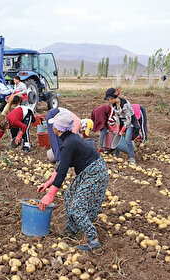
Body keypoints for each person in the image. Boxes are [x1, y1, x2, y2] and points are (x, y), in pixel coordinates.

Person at [37, 112, 109, 251]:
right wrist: (49, 183)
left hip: (95, 172)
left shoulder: (69, 143)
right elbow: (61, 167)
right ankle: (72, 229)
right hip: (87, 171)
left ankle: (93, 240)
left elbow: (63, 172)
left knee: (77, 207)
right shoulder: (69, 139)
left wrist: (50, 195)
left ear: (57, 129)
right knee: (69, 195)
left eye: (53, 125)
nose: (52, 127)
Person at [104, 88, 137, 163]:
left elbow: (129, 119)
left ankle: (132, 157)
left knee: (128, 139)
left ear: (112, 98)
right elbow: (117, 117)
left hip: (130, 122)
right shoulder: (114, 105)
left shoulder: (125, 104)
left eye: (109, 100)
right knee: (117, 135)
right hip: (122, 122)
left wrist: (122, 130)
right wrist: (118, 128)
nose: (109, 102)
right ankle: (116, 153)